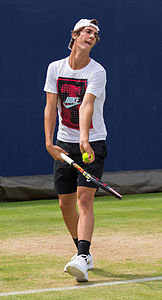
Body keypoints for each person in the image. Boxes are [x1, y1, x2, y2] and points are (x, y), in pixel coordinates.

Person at [44, 18, 107, 282]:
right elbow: (50, 107)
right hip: (63, 143)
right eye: (86, 32)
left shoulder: (97, 71)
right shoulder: (55, 68)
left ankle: (82, 256)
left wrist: (84, 139)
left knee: (84, 199)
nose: (90, 36)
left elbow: (86, 106)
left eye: (94, 34)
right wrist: (49, 143)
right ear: (75, 35)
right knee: (65, 203)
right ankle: (82, 252)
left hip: (92, 143)